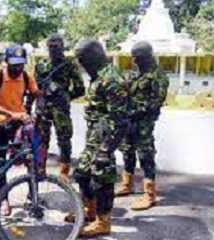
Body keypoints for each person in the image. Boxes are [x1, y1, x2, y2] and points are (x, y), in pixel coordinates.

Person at [71, 39, 129, 237]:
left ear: (94, 55)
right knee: (81, 174)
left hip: (106, 137)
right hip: (95, 135)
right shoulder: (98, 76)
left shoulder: (111, 79)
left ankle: (103, 222)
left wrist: (107, 149)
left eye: (82, 58)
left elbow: (122, 121)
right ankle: (90, 211)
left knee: (102, 179)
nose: (80, 64)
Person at [0, 44, 42, 216]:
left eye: (21, 64)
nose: (17, 68)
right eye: (14, 64)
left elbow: (37, 93)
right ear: (5, 61)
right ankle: (3, 200)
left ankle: (33, 197)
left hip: (17, 125)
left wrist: (35, 110)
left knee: (30, 158)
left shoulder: (25, 76)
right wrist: (12, 113)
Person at [116, 41, 169, 211]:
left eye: (137, 57)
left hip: (144, 121)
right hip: (129, 119)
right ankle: (127, 184)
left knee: (145, 155)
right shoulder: (135, 73)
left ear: (146, 57)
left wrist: (137, 112)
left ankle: (149, 194)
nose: (134, 60)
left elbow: (156, 102)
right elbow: (125, 90)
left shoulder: (158, 75)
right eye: (133, 57)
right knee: (127, 150)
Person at [28, 34, 85, 180]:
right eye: (51, 46)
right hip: (42, 107)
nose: (53, 49)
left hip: (60, 109)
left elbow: (80, 89)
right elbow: (33, 88)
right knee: (41, 139)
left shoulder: (69, 65)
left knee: (64, 139)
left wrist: (65, 97)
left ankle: (64, 171)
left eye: (56, 46)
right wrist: (28, 106)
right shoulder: (40, 65)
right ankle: (40, 169)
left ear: (62, 47)